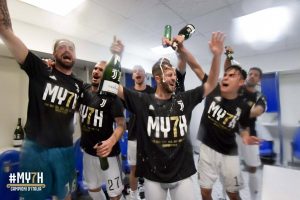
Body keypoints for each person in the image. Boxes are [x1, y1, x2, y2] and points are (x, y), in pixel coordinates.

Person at [115, 32, 224, 200]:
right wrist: (116, 57)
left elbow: (210, 83)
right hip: (153, 175)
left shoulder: (184, 99)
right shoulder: (142, 100)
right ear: (158, 78)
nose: (174, 77)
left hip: (182, 173)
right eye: (170, 74)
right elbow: (112, 85)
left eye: (174, 74)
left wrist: (217, 56)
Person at [0, 1, 83, 199]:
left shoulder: (79, 85)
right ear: (54, 54)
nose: (66, 49)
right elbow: (5, 30)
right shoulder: (40, 69)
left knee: (66, 194)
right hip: (34, 150)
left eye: (70, 47)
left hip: (65, 148)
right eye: (61, 47)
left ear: (75, 55)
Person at [197, 63, 262, 200]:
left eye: (231, 76)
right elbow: (197, 68)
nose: (225, 77)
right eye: (225, 75)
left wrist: (246, 137)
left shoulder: (244, 105)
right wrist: (182, 51)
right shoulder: (213, 89)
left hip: (229, 151)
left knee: (233, 193)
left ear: (240, 83)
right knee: (205, 192)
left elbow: (244, 126)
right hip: (207, 149)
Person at [79, 61, 126, 200]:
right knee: (93, 190)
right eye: (95, 68)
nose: (96, 71)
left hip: (109, 154)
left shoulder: (112, 97)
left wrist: (111, 142)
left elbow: (121, 124)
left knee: (115, 194)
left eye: (101, 70)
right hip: (88, 152)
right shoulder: (84, 90)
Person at [225, 47, 267, 200]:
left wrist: (236, 110)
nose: (252, 76)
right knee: (230, 169)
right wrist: (229, 54)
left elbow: (257, 111)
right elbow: (230, 70)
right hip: (231, 135)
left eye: (256, 75)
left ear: (259, 80)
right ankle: (228, 195)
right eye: (250, 73)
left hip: (250, 136)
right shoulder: (237, 88)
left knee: (253, 168)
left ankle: (254, 197)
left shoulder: (259, 96)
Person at [126, 65, 155, 200]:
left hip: (150, 136)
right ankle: (133, 194)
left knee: (150, 167)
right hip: (133, 135)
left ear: (145, 75)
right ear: (132, 76)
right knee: (134, 169)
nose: (138, 73)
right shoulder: (128, 92)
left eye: (141, 71)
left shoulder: (152, 92)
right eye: (135, 71)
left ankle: (151, 194)